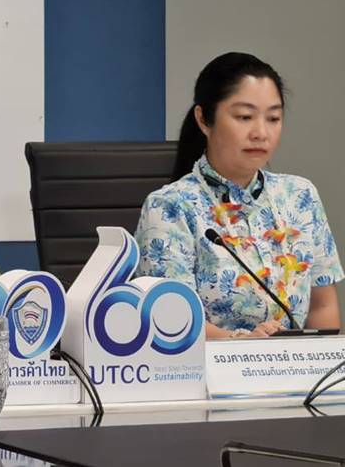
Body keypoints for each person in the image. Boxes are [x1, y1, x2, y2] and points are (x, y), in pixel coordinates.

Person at [136, 52, 342, 339]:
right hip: (209, 366)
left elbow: (323, 306)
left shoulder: (300, 196)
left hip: (297, 366)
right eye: (244, 117)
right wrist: (243, 346)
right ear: (204, 119)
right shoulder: (170, 207)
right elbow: (171, 320)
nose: (261, 133)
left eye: (273, 118)